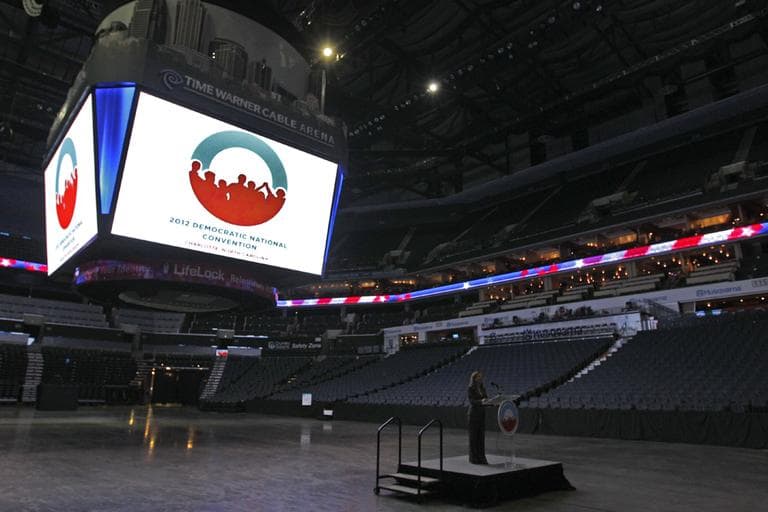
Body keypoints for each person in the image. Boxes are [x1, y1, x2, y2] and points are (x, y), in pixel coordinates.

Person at [467, 370, 489, 464]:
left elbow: (486, 398)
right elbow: (472, 401)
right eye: (478, 377)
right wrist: (481, 402)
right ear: (474, 378)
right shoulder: (470, 388)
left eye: (481, 377)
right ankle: (473, 458)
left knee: (481, 437)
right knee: (473, 437)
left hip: (481, 414)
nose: (481, 378)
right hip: (473, 415)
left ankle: (481, 457)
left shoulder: (483, 388)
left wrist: (489, 402)